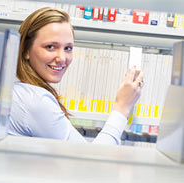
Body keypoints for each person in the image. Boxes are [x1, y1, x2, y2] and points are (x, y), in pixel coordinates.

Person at [8, 7, 144, 145]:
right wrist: (122, 107)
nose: (62, 58)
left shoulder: (19, 90)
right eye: (50, 47)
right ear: (25, 50)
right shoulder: (35, 100)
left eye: (68, 48)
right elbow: (91, 161)